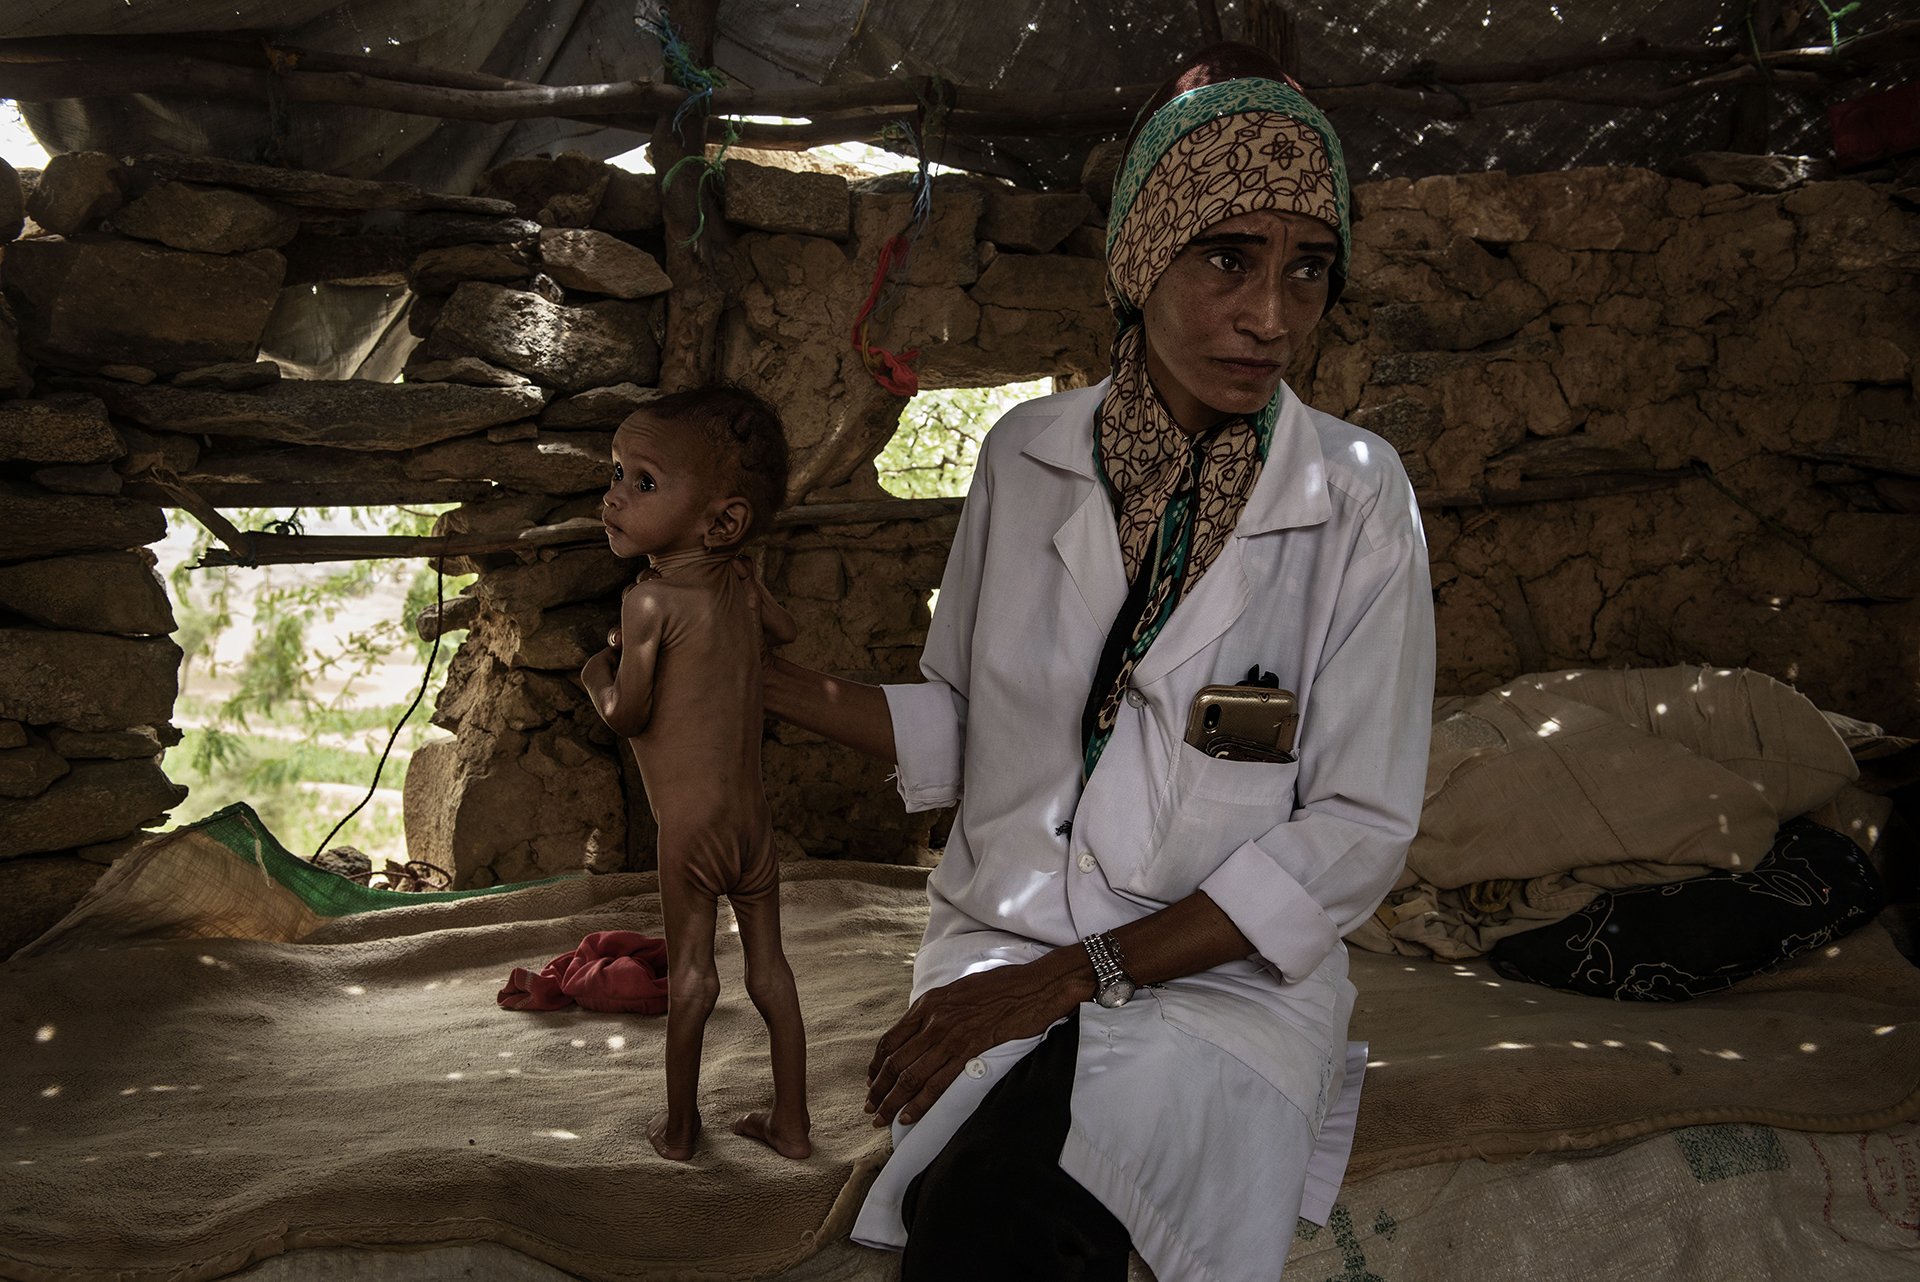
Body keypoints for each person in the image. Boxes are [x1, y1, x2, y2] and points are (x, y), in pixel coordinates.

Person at [762, 42, 1434, 1281]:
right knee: (996, 1193)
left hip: (1219, 980)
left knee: (1001, 1211)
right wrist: (777, 689)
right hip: (1003, 941)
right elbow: (980, 724)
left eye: (1308, 269)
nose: (1271, 315)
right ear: (1141, 255)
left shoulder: (1354, 496)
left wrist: (1080, 977)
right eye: (1227, 256)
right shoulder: (1026, 457)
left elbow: (1357, 827)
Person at [581, 385, 809, 1162]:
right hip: (753, 826)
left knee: (694, 979)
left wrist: (593, 672)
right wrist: (750, 583)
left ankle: (681, 1131)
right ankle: (793, 1125)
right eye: (615, 473)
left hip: (689, 833)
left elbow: (628, 714)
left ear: (722, 519)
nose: (614, 496)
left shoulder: (648, 601)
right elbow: (787, 629)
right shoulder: (739, 585)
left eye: (643, 481)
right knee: (769, 969)